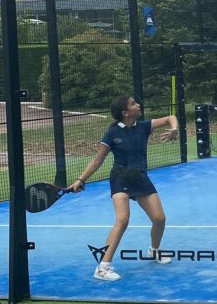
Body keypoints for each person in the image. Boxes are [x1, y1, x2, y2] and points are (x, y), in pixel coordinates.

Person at [70, 95, 179, 282]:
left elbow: (170, 117)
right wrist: (81, 179)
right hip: (120, 179)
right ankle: (103, 267)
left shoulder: (143, 127)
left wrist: (174, 129)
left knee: (159, 219)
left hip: (140, 178)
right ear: (125, 112)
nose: (138, 105)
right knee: (122, 219)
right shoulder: (112, 133)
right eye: (133, 103)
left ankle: (154, 250)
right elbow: (98, 160)